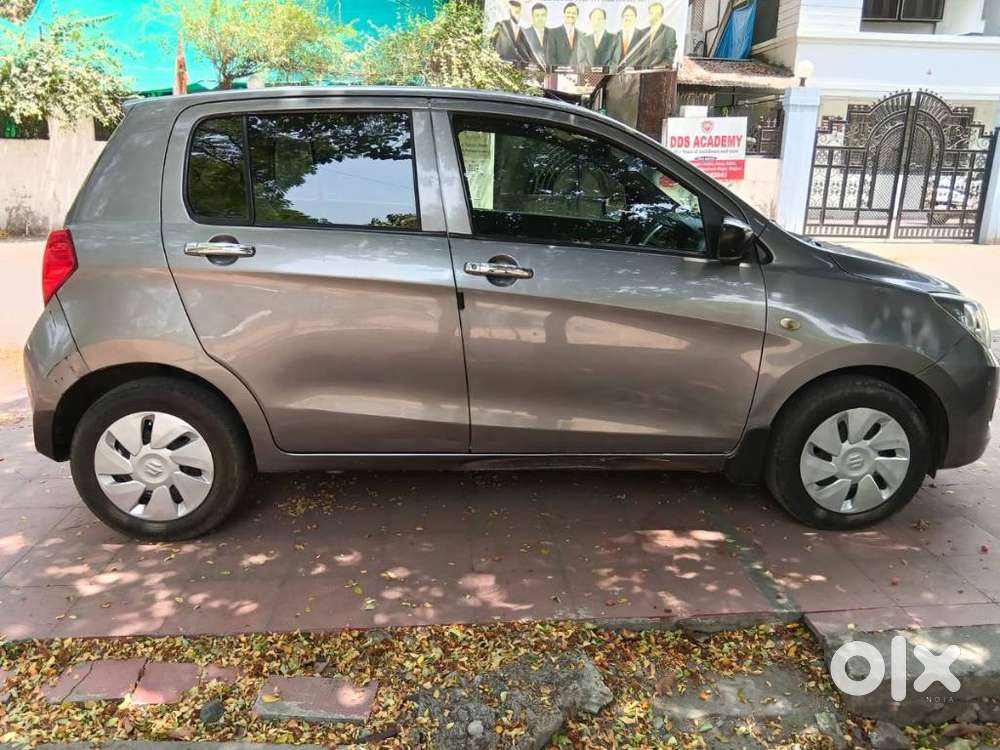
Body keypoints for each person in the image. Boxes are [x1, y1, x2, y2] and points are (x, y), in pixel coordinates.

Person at [643, 1, 677, 68]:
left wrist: (655, 68)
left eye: (657, 14)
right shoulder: (643, 32)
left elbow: (669, 58)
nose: (654, 16)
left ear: (662, 15)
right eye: (652, 13)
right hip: (640, 71)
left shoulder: (669, 32)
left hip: (659, 71)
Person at [522, 3, 556, 68]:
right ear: (532, 17)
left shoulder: (553, 34)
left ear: (546, 17)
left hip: (550, 73)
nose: (540, 18)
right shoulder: (524, 34)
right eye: (537, 15)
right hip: (530, 73)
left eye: (543, 15)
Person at [617, 5, 648, 69]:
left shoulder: (643, 35)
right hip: (617, 73)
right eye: (626, 15)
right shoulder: (616, 35)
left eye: (631, 15)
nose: (628, 18)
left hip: (636, 72)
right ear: (622, 18)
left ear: (635, 18)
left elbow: (645, 57)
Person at [550, 3, 580, 68]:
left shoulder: (581, 35)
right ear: (564, 14)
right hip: (558, 72)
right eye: (568, 12)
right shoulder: (552, 33)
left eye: (574, 13)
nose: (571, 15)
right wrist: (557, 71)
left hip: (578, 72)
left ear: (577, 16)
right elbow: (550, 57)